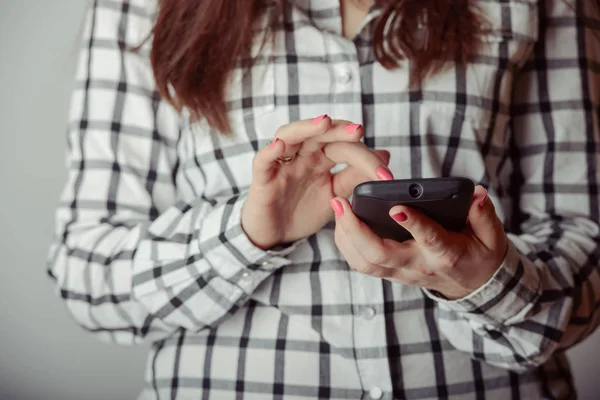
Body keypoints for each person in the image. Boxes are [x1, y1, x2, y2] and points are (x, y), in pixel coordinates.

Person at [46, 0, 600, 398]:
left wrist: (480, 281)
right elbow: (89, 275)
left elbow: (585, 245)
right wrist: (247, 234)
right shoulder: (140, 9)